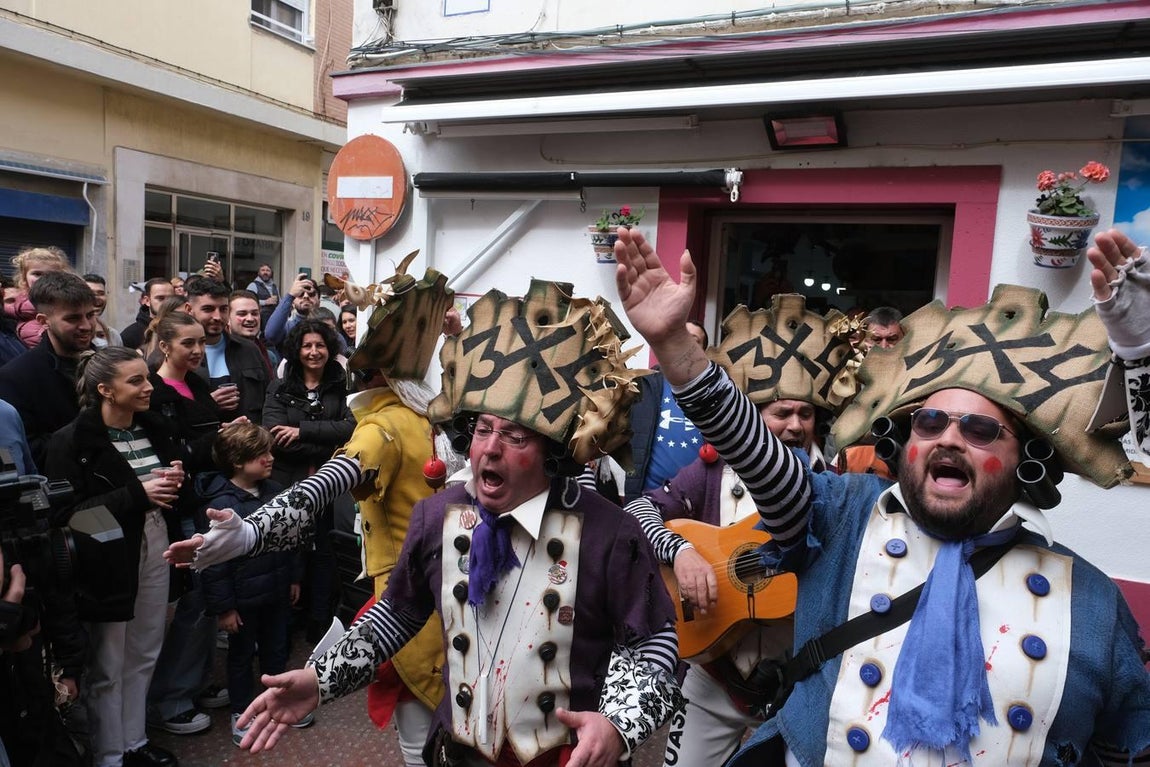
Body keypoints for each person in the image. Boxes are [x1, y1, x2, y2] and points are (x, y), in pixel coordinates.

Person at [613, 226, 1150, 765]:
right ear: (906, 442)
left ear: (1025, 461)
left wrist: (1143, 358)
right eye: (930, 422)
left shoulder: (1091, 605)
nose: (949, 438)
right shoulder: (842, 517)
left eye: (981, 430)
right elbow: (754, 453)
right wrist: (676, 347)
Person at [167, 279, 684, 767]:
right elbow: (397, 614)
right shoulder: (438, 515)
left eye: (515, 437)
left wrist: (617, 726)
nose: (489, 449)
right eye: (482, 429)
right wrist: (320, 678)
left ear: (553, 451)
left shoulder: (609, 533)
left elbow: (656, 642)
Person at [627, 296, 857, 767]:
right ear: (751, 416)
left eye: (805, 414)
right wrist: (679, 551)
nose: (795, 426)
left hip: (799, 682)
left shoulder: (839, 491)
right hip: (714, 676)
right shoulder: (712, 472)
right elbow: (637, 510)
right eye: (781, 413)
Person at [44, 347, 187, 767]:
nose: (149, 387)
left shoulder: (153, 426)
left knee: (145, 649)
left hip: (155, 539)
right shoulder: (71, 440)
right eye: (136, 381)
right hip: (107, 556)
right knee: (108, 661)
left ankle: (134, 742)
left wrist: (178, 479)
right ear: (106, 390)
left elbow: (169, 489)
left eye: (147, 378)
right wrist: (136, 495)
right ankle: (110, 754)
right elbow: (66, 516)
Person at [145, 310, 237, 736]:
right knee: (197, 602)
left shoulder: (196, 384)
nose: (199, 350)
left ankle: (195, 684)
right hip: (185, 508)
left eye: (201, 342)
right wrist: (220, 438)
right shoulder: (155, 392)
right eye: (189, 343)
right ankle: (172, 698)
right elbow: (176, 453)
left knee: (208, 601)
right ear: (165, 346)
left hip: (207, 502)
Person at [197, 423, 303, 747]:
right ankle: (242, 711)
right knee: (241, 657)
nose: (271, 458)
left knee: (276, 650)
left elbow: (291, 538)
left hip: (276, 590)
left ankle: (280, 701)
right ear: (238, 461)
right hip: (242, 601)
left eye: (269, 451)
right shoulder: (220, 505)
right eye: (261, 454)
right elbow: (213, 563)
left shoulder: (276, 491)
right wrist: (224, 608)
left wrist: (294, 577)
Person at [262, 319, 355, 641]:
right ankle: (287, 624)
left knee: (326, 553)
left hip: (333, 485)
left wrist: (302, 430)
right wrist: (328, 440)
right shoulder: (280, 387)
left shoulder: (343, 385)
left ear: (330, 349)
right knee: (289, 550)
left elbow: (352, 430)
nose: (314, 352)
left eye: (320, 345)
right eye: (307, 346)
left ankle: (319, 620)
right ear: (296, 350)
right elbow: (275, 438)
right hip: (289, 482)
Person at [0, 272, 97, 467]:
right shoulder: (17, 377)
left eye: (90, 315)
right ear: (43, 321)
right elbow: (30, 453)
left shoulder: (110, 363)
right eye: (73, 319)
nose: (86, 326)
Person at [623, 318, 708, 503]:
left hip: (697, 502)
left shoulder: (713, 393)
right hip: (646, 498)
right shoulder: (643, 384)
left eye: (694, 340)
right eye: (681, 336)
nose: (686, 344)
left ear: (703, 352)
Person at [183, 276, 269, 424]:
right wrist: (208, 403)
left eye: (223, 309)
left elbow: (269, 399)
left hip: (249, 435)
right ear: (189, 310)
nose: (217, 317)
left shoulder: (249, 350)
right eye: (208, 309)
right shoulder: (176, 354)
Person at [4, 246, 70, 349]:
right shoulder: (19, 298)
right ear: (24, 277)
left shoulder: (64, 299)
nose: (43, 279)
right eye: (37, 274)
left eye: (51, 274)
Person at [264, 273, 318, 351]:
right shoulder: (287, 326)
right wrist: (290, 296)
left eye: (311, 293)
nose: (306, 296)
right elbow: (271, 335)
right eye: (300, 293)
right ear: (293, 302)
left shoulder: (326, 324)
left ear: (318, 299)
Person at [228, 289, 276, 376]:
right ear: (228, 318)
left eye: (254, 313)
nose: (250, 319)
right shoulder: (219, 356)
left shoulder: (269, 357)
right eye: (242, 314)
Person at [122, 278, 176, 351]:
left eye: (170, 298)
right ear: (147, 301)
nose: (166, 303)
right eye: (161, 298)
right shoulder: (130, 335)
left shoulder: (183, 328)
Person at [84, 273, 124, 349]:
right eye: (90, 294)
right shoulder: (72, 334)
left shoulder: (113, 335)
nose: (96, 298)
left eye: (101, 293)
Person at [246, 264, 280, 329]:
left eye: (268, 270)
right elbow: (247, 301)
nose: (265, 272)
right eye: (263, 270)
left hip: (274, 319)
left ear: (271, 273)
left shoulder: (274, 286)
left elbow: (279, 301)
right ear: (258, 273)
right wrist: (265, 302)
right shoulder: (253, 285)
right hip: (260, 320)